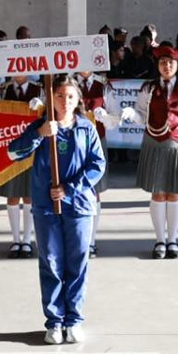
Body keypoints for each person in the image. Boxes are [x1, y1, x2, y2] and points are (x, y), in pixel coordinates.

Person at [8, 74, 105, 345]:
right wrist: (40, 134)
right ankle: (54, 321)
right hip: (45, 207)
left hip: (79, 206)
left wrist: (70, 188)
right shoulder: (40, 127)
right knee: (50, 261)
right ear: (51, 99)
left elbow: (98, 165)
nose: (65, 101)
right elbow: (13, 153)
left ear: (78, 100)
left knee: (77, 262)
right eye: (60, 96)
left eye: (70, 96)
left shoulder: (86, 128)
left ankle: (73, 319)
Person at [122, 46, 178, 260]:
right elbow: (141, 115)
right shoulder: (148, 88)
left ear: (177, 65)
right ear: (157, 66)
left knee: (174, 193)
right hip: (154, 143)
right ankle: (159, 240)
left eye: (170, 63)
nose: (166, 66)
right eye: (163, 62)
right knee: (157, 192)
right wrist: (131, 113)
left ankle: (172, 240)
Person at [0, 76, 46, 259]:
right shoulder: (3, 88)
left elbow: (48, 115)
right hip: (11, 145)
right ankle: (15, 239)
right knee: (12, 195)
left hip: (31, 147)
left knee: (29, 195)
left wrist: (41, 106)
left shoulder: (39, 88)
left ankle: (27, 240)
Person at [76, 69, 110, 257]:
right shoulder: (68, 81)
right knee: (73, 189)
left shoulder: (103, 84)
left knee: (94, 191)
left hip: (97, 140)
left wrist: (105, 115)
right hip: (74, 141)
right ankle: (77, 240)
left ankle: (91, 241)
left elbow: (113, 117)